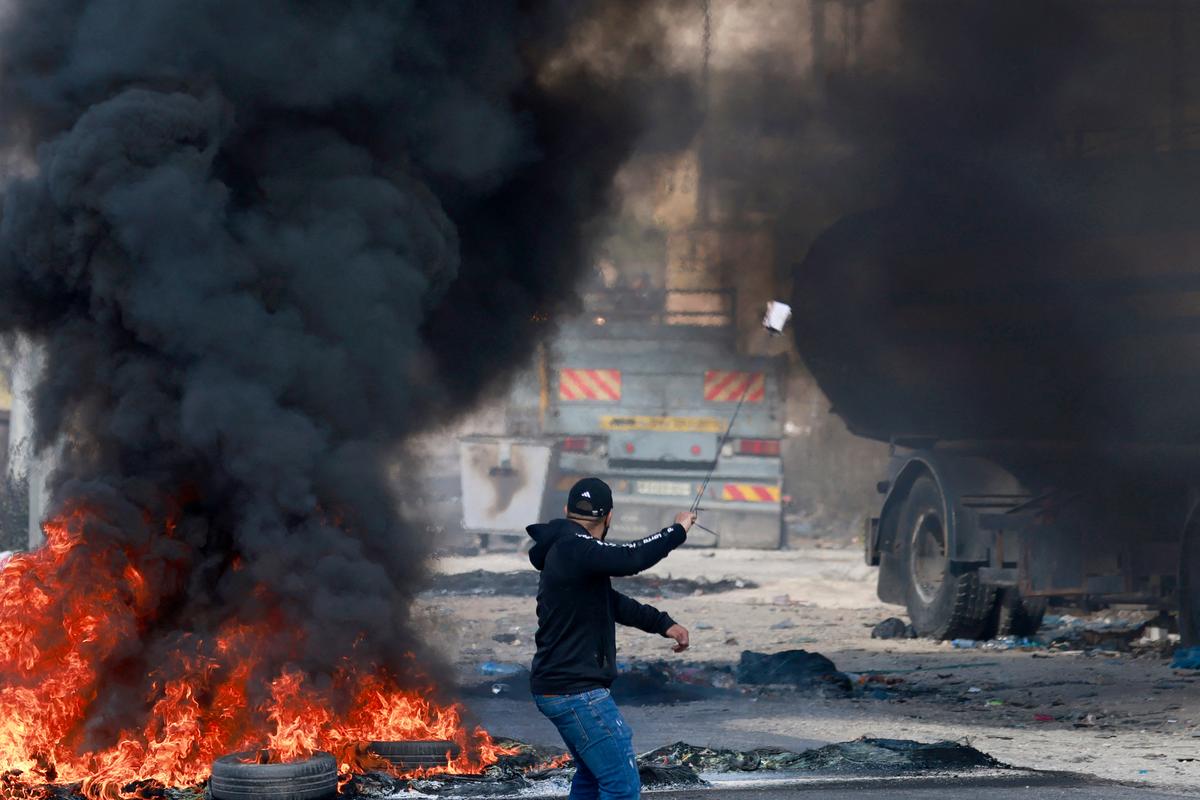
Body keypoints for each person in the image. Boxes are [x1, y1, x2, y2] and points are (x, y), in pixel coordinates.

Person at [526, 477, 694, 800]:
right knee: (621, 784)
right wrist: (678, 531)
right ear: (609, 517)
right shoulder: (576, 547)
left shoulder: (569, 551)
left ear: (566, 511)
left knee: (591, 778)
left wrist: (664, 624)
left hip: (560, 688)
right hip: (575, 692)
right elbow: (631, 557)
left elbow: (611, 602)